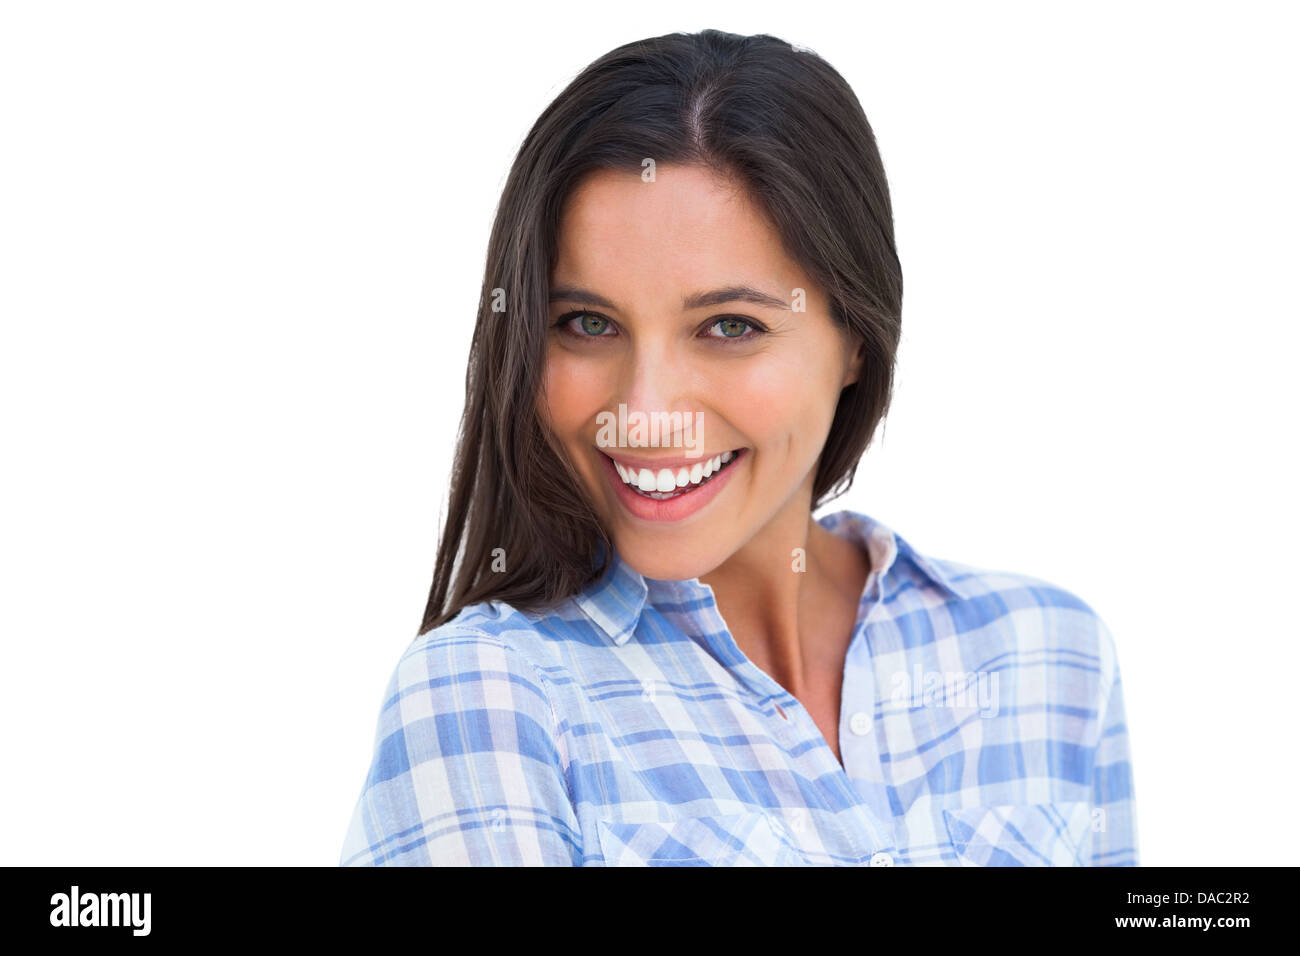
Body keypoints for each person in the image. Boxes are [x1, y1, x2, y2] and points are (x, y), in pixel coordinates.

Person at [339, 28, 1137, 866]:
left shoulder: (1049, 655)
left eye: (729, 326)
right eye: (587, 324)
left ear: (857, 338)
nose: (644, 412)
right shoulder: (489, 701)